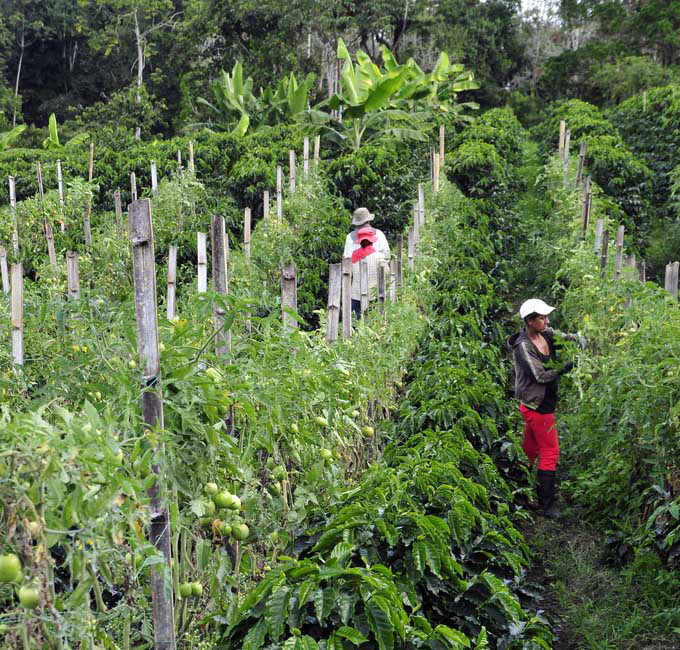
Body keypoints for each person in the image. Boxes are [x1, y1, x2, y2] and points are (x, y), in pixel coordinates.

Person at [507, 298, 586, 519]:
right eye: (542, 318)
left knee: (530, 451)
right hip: (537, 405)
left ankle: (519, 494)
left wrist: (580, 340)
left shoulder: (546, 334)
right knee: (550, 452)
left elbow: (565, 337)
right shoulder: (524, 346)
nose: (546, 321)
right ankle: (547, 505)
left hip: (542, 403)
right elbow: (539, 376)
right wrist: (564, 368)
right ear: (530, 321)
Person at [350, 227, 388, 319]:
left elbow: (348, 275)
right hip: (374, 296)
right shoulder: (379, 257)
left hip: (355, 295)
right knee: (373, 322)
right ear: (372, 241)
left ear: (360, 242)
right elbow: (386, 273)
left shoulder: (353, 257)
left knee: (356, 323)